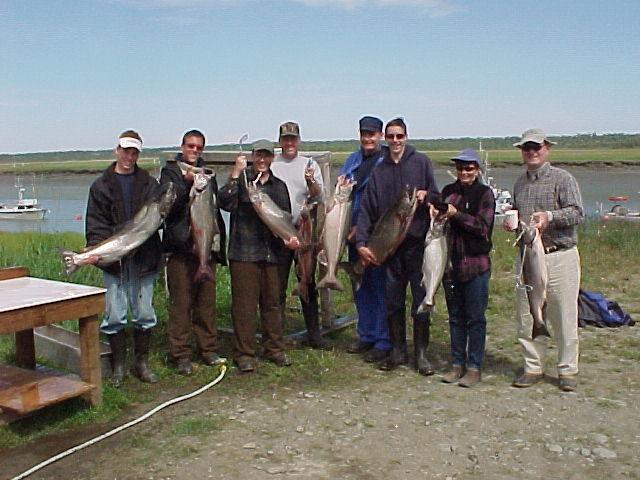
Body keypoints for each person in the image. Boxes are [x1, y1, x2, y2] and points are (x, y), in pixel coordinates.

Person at [356, 118, 439, 373]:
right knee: (393, 301)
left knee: (420, 300)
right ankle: (398, 351)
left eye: (399, 136)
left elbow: (437, 195)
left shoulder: (421, 162)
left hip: (416, 245)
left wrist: (427, 196)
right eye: (390, 136)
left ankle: (421, 355)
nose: (394, 141)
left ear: (406, 136)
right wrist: (361, 242)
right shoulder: (379, 171)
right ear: (385, 138)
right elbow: (367, 209)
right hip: (390, 249)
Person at [507, 129, 584, 392]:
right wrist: (513, 224)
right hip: (528, 257)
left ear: (546, 148)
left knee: (564, 315)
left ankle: (567, 370)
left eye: (536, 147)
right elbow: (519, 220)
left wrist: (549, 217)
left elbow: (576, 213)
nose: (531, 152)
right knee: (528, 315)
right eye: (526, 147)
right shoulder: (519, 183)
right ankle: (533, 367)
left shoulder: (563, 179)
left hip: (560, 255)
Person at [85, 130, 161, 386]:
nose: (129, 156)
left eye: (134, 152)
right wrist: (97, 251)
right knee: (114, 316)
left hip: (144, 258)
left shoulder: (150, 185)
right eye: (125, 150)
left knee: (144, 313)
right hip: (114, 261)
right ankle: (118, 366)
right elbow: (95, 224)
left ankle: (141, 364)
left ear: (138, 154)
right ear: (117, 150)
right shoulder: (100, 186)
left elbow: (158, 219)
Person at [218, 139, 299, 372]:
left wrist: (290, 239)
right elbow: (224, 201)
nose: (262, 160)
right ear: (252, 156)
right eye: (258, 156)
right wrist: (235, 173)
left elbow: (285, 218)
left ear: (272, 158)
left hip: (273, 254)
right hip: (244, 253)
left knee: (273, 303)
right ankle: (244, 353)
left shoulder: (279, 186)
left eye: (266, 156)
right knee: (244, 305)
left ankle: (274, 348)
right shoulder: (242, 181)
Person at [160, 130, 227, 375]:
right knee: (181, 304)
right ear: (182, 146)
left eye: (199, 147)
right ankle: (180, 354)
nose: (194, 150)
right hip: (180, 249)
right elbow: (168, 205)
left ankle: (208, 350)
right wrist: (184, 184)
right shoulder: (170, 172)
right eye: (191, 146)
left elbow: (214, 206)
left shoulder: (207, 174)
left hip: (205, 248)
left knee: (206, 303)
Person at [438, 148, 495, 387]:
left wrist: (456, 215)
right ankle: (456, 363)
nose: (464, 172)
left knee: (475, 319)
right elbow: (440, 220)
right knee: (455, 318)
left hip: (476, 266)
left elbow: (482, 227)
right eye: (460, 168)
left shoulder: (485, 194)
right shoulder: (448, 192)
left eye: (469, 168)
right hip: (450, 265)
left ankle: (474, 367)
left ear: (478, 170)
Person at [270, 121, 328, 348]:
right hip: (280, 234)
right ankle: (276, 336)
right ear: (280, 141)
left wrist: (311, 182)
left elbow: (319, 197)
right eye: (286, 139)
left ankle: (315, 335)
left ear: (299, 140)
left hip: (305, 232)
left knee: (308, 280)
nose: (290, 142)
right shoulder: (273, 164)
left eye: (293, 138)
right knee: (277, 286)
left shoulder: (310, 164)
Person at [340, 116, 390, 363]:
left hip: (378, 236)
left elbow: (388, 201)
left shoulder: (388, 161)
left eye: (372, 134)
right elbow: (343, 197)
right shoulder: (352, 160)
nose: (368, 138)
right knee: (360, 286)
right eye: (364, 134)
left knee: (380, 287)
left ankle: (383, 340)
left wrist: (363, 230)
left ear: (380, 135)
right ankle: (366, 335)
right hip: (352, 235)